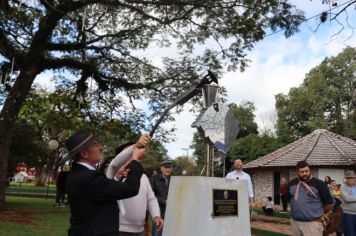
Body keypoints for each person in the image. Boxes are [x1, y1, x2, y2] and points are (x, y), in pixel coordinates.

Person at [65, 130, 150, 236]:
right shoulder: (88, 177)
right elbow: (131, 189)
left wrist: (117, 176)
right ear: (84, 153)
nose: (101, 147)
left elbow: (102, 193)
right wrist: (135, 160)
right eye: (95, 144)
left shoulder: (79, 174)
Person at [106, 142, 164, 236]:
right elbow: (113, 166)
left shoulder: (143, 176)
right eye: (129, 153)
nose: (134, 155)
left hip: (140, 230)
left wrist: (156, 216)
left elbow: (151, 198)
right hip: (118, 229)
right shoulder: (113, 173)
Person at [288, 160, 334, 236]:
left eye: (306, 171)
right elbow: (290, 200)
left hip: (313, 224)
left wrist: (320, 215)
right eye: (302, 172)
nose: (305, 173)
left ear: (310, 170)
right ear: (297, 172)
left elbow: (329, 204)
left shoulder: (320, 184)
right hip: (295, 223)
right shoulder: (291, 184)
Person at [150, 160, 173, 236]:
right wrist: (164, 201)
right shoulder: (154, 179)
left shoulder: (174, 179)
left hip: (171, 213)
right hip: (158, 213)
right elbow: (151, 195)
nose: (167, 169)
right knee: (157, 233)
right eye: (165, 167)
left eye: (169, 167)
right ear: (161, 168)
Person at [339, 170, 356, 236]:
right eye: (348, 178)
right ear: (346, 179)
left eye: (352, 177)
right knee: (350, 233)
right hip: (348, 214)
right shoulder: (343, 187)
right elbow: (347, 198)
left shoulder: (355, 187)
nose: (350, 179)